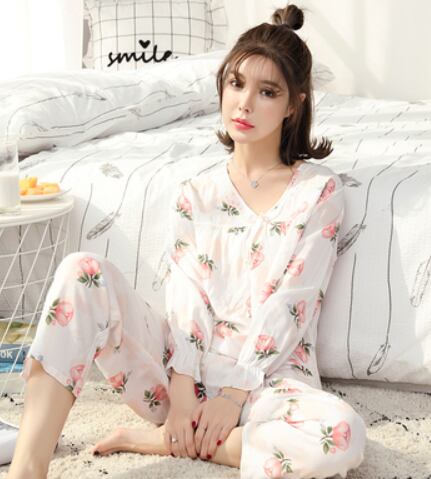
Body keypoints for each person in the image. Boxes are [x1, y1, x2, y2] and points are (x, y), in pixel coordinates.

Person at [7, 4, 367, 479]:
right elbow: (186, 300)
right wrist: (181, 394)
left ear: (294, 105)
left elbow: (291, 306)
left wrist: (232, 397)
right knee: (82, 271)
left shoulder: (318, 191)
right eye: (236, 84)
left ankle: (168, 441)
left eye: (267, 92)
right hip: (181, 375)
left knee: (342, 435)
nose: (244, 104)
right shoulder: (195, 193)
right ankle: (27, 469)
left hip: (266, 384)